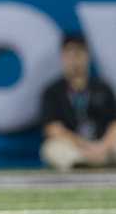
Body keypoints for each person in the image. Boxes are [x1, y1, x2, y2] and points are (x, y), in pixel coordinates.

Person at [40, 35, 116, 172]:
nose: (74, 59)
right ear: (62, 57)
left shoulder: (103, 88)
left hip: (102, 145)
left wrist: (103, 146)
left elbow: (113, 124)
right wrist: (84, 146)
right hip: (74, 147)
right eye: (69, 54)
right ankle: (81, 164)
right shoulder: (53, 91)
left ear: (88, 56)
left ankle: (99, 161)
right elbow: (53, 128)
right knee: (51, 148)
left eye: (79, 53)